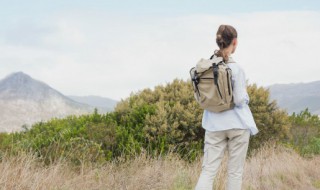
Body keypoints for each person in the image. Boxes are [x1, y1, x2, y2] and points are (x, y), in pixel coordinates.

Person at [194, 24, 259, 190]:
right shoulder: (236, 68)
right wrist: (246, 97)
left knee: (208, 171)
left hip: (213, 125)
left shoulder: (206, 67)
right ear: (235, 42)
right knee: (235, 173)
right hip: (238, 125)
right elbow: (238, 100)